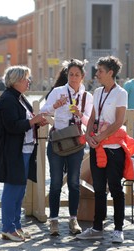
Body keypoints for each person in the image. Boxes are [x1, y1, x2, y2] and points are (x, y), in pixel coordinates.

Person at [76, 56, 129, 243]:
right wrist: (89, 135)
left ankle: (118, 229)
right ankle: (97, 227)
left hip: (113, 148)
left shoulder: (121, 93)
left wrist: (98, 137)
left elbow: (119, 122)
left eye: (99, 71)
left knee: (115, 188)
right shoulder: (97, 92)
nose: (96, 74)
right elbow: (92, 118)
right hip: (96, 146)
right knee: (98, 189)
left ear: (110, 73)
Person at [0, 65, 48, 242]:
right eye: (26, 78)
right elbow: (12, 126)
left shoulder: (19, 97)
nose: (29, 81)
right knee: (12, 190)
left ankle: (16, 226)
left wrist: (37, 122)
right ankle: (8, 228)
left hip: (25, 149)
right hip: (13, 152)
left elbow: (26, 121)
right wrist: (34, 121)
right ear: (16, 81)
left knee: (20, 190)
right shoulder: (7, 99)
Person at [40, 58, 93, 236]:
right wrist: (55, 105)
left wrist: (80, 114)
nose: (73, 78)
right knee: (55, 183)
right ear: (67, 75)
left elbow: (89, 122)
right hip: (57, 142)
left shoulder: (87, 97)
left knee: (74, 183)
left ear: (83, 76)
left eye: (77, 75)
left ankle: (73, 219)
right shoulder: (58, 91)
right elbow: (44, 113)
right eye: (71, 74)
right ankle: (53, 221)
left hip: (76, 143)